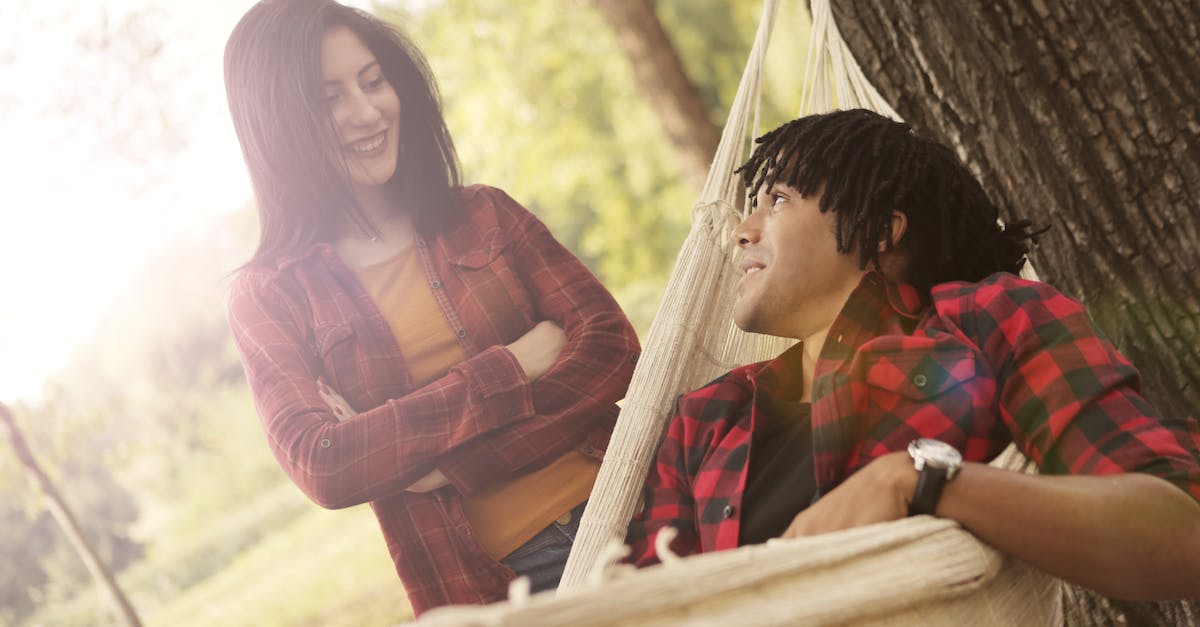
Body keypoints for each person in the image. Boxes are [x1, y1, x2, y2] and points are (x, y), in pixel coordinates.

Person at [625, 109, 1200, 600]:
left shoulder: (988, 321)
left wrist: (919, 480)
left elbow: (1180, 533)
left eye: (777, 198)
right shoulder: (705, 417)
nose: (741, 232)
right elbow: (649, 607)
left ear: (880, 230)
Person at [222, 0, 639, 615]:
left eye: (372, 81)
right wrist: (516, 364)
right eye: (329, 98)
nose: (367, 113)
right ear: (278, 123)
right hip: (502, 590)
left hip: (633, 501)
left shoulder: (483, 213)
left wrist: (448, 464)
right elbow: (326, 462)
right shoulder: (269, 297)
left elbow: (613, 350)